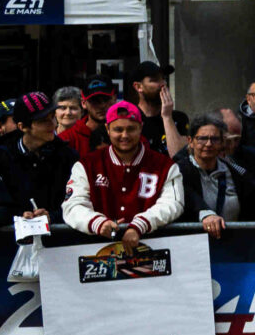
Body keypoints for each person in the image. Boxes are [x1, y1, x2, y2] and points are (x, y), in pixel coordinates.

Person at [63, 103, 183, 240]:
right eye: (118, 129)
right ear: (107, 129)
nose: (125, 135)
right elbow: (72, 206)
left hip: (150, 245)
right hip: (97, 247)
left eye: (131, 129)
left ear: (141, 127)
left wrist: (141, 224)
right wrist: (97, 223)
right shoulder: (86, 165)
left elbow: (173, 204)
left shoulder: (165, 166)